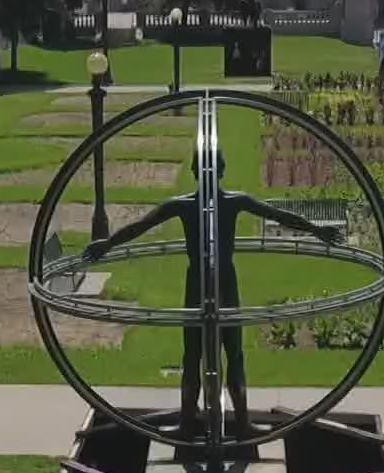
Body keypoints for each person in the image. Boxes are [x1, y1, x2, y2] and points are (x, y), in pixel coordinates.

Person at [84, 152, 342, 443]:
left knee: (216, 355)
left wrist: (315, 230)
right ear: (220, 170)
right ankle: (211, 422)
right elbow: (140, 227)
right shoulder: (224, 202)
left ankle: (208, 422)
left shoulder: (198, 204)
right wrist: (107, 244)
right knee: (214, 356)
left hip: (206, 285)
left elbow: (278, 215)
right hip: (218, 284)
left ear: (196, 170)